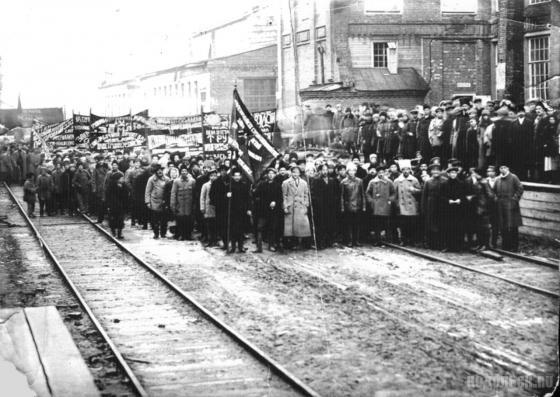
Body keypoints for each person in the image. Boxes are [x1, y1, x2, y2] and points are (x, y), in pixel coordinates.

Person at [252, 168, 283, 253]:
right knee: (259, 228)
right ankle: (259, 247)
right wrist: (253, 190)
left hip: (273, 210)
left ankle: (271, 245)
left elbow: (280, 198)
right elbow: (255, 194)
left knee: (272, 228)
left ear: (275, 175)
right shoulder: (262, 184)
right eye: (269, 173)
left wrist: (275, 202)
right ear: (267, 175)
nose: (271, 175)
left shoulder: (277, 185)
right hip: (262, 210)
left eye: (272, 174)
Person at [494, 165, 523, 252]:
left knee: (513, 226)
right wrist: (496, 198)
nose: (502, 169)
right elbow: (493, 190)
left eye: (504, 168)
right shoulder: (497, 179)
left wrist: (515, 199)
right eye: (501, 168)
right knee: (503, 226)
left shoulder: (513, 177)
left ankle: (514, 246)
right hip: (501, 206)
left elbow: (520, 188)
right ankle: (506, 246)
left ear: (508, 169)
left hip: (511, 206)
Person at [312, 163, 340, 249]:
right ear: (320, 171)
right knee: (321, 225)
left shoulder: (332, 180)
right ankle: (321, 243)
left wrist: (334, 202)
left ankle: (330, 241)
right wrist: (318, 203)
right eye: (323, 170)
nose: (325, 171)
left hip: (331, 207)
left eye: (326, 170)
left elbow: (336, 193)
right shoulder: (316, 181)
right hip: (321, 207)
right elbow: (314, 194)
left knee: (330, 224)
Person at [282, 166, 311, 249]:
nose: (295, 174)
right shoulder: (286, 183)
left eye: (297, 172)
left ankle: (303, 244)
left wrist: (306, 205)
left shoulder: (304, 183)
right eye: (293, 172)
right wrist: (285, 206)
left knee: (302, 226)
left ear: (299, 173)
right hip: (290, 206)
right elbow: (284, 196)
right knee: (290, 228)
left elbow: (306, 195)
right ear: (291, 173)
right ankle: (290, 244)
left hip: (301, 206)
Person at [366, 166, 396, 245]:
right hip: (376, 206)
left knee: (387, 223)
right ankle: (377, 240)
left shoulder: (389, 182)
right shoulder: (372, 182)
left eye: (382, 172)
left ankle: (388, 240)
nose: (381, 174)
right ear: (377, 173)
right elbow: (368, 193)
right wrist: (371, 201)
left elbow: (393, 192)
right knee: (377, 224)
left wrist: (390, 200)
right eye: (379, 172)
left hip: (386, 205)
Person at [394, 162, 421, 245]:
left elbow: (420, 191)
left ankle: (412, 240)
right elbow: (394, 194)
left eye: (407, 169)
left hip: (412, 205)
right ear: (401, 170)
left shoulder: (414, 179)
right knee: (403, 224)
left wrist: (414, 190)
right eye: (404, 169)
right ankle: (403, 240)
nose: (406, 171)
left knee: (412, 223)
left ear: (410, 170)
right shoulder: (397, 180)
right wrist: (397, 204)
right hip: (402, 205)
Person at [441, 166, 467, 252]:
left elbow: (465, 196)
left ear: (457, 174)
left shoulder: (462, 184)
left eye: (455, 173)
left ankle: (458, 246)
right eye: (451, 173)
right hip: (448, 209)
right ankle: (448, 246)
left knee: (459, 228)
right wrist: (448, 201)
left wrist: (460, 200)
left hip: (459, 209)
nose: (453, 175)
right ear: (448, 174)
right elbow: (441, 196)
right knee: (448, 227)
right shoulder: (444, 184)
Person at [340, 163, 366, 247]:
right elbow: (342, 196)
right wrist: (342, 207)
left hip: (358, 205)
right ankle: (349, 241)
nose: (352, 172)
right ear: (347, 171)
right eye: (350, 170)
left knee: (357, 224)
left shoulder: (360, 181)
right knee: (348, 225)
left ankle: (356, 240)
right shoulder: (343, 182)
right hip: (348, 206)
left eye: (353, 170)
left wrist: (364, 206)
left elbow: (362, 194)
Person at [227, 169, 250, 253]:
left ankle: (240, 246)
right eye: (235, 176)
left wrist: (248, 209)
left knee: (241, 229)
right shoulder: (229, 186)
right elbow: (224, 200)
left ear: (241, 176)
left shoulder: (244, 185)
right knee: (232, 229)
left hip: (242, 211)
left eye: (238, 176)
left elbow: (248, 198)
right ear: (232, 176)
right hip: (232, 211)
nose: (237, 177)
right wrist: (227, 196)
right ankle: (233, 246)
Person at [422, 164, 445, 249]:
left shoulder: (444, 181)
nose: (436, 172)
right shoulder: (428, 182)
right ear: (431, 172)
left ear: (440, 171)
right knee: (430, 224)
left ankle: (440, 244)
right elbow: (424, 196)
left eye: (437, 170)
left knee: (440, 224)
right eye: (434, 170)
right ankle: (430, 243)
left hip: (441, 205)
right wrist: (423, 208)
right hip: (430, 205)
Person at [170, 167, 196, 240]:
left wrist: (194, 205)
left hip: (189, 205)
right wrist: (173, 205)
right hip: (180, 205)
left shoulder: (192, 181)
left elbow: (194, 194)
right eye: (182, 171)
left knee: (189, 221)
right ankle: (181, 235)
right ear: (180, 172)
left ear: (187, 172)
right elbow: (173, 193)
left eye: (185, 171)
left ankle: (188, 235)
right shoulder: (176, 182)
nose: (184, 172)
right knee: (180, 221)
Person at [145, 165, 170, 239]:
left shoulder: (167, 179)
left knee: (164, 219)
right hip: (154, 201)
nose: (160, 172)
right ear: (155, 172)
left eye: (161, 170)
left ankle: (163, 233)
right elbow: (147, 191)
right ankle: (156, 233)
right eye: (158, 170)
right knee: (155, 220)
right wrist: (148, 202)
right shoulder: (151, 179)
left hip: (164, 202)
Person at [105, 172, 128, 239]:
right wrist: (109, 205)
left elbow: (126, 195)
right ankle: (113, 232)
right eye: (121, 178)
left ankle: (119, 232)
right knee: (113, 219)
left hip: (121, 205)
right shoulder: (111, 186)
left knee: (120, 219)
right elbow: (108, 196)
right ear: (117, 179)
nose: (123, 179)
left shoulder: (124, 185)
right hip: (113, 206)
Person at [200, 169, 218, 247]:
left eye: (215, 175)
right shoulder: (206, 185)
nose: (213, 177)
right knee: (209, 225)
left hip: (216, 208)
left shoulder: (219, 184)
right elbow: (202, 197)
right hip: (208, 208)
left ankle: (215, 240)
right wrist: (202, 207)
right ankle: (210, 240)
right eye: (211, 176)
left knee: (215, 225)